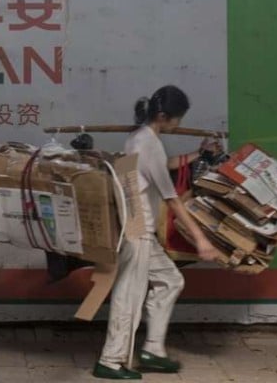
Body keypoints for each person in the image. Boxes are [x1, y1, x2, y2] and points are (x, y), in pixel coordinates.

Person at [94, 85, 224, 380]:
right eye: (177, 119)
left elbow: (160, 168)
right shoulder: (149, 143)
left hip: (138, 226)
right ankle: (110, 361)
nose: (179, 125)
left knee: (170, 280)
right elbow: (172, 199)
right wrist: (201, 240)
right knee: (130, 294)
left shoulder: (139, 137)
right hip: (135, 226)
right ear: (164, 116)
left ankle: (153, 350)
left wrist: (198, 154)